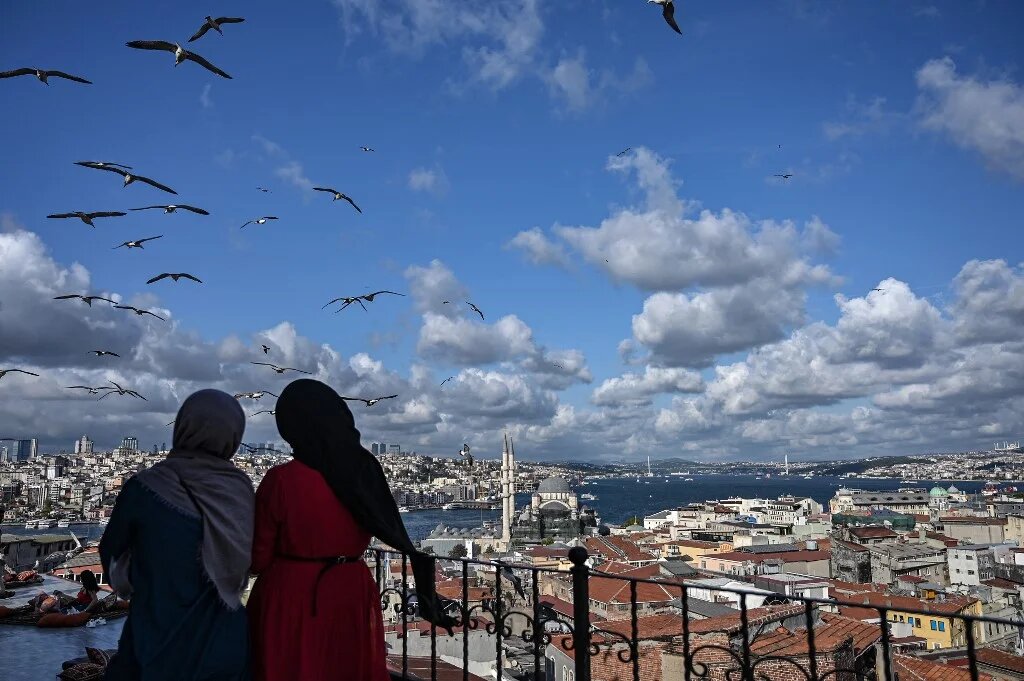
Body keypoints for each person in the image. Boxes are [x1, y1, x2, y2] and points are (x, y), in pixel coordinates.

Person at [248, 379, 455, 681]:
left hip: (293, 596)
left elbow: (257, 558)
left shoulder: (281, 481)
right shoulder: (362, 471)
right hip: (350, 592)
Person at [100, 389, 255, 681]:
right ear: (233, 434)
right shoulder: (240, 489)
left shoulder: (145, 487)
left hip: (156, 634)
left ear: (183, 426)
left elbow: (112, 554)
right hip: (225, 641)